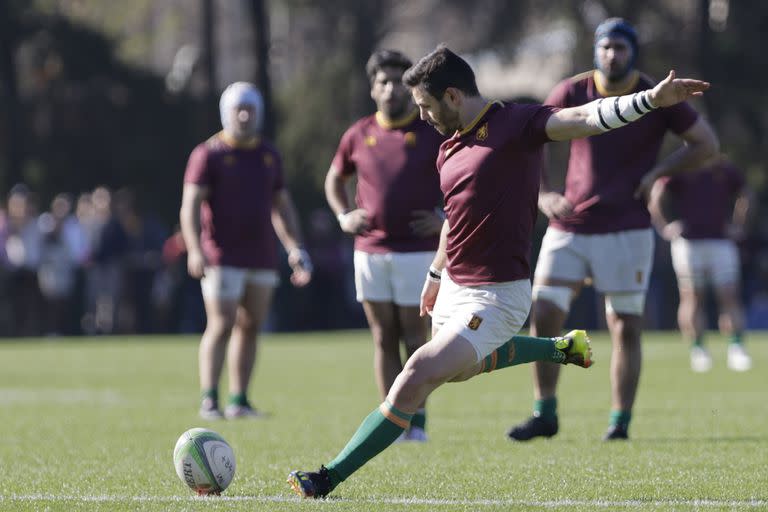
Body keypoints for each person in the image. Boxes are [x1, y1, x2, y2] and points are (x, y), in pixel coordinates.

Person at [287, 44, 708, 498]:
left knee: (416, 374)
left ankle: (327, 477)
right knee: (460, 370)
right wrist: (434, 276)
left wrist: (648, 101)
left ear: (452, 96)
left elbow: (585, 118)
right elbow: (455, 220)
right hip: (453, 286)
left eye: (426, 106)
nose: (422, 117)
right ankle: (557, 348)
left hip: (498, 297)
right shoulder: (448, 146)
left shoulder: (518, 124)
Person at [506, 18, 720, 443]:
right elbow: (531, 140)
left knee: (624, 324)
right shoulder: (572, 90)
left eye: (620, 47)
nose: (612, 55)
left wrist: (660, 172)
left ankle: (619, 423)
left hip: (627, 226)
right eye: (605, 47)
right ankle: (544, 411)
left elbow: (707, 144)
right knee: (545, 312)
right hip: (570, 225)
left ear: (632, 52)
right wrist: (543, 195)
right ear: (595, 51)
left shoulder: (658, 94)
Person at [325, 49, 445, 442]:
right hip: (370, 251)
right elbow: (334, 181)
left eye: (398, 80)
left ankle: (419, 421)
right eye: (384, 81)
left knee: (415, 336)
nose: (391, 88)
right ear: (373, 88)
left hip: (417, 252)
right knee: (382, 337)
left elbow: (464, 177)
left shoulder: (431, 131)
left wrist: (444, 216)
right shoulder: (358, 133)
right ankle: (392, 425)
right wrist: (345, 216)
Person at [180, 81, 312, 420]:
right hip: (221, 255)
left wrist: (294, 247)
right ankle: (210, 398)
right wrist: (195, 249)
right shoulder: (208, 154)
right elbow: (190, 206)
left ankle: (239, 400)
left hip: (261, 255)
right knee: (221, 324)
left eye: (250, 109)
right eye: (238, 109)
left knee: (251, 326)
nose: (243, 115)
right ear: (226, 112)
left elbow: (281, 207)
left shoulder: (268, 155)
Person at [648, 154, 752, 372]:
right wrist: (665, 226)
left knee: (729, 294)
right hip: (688, 244)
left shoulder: (723, 167)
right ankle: (698, 350)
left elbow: (745, 194)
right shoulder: (681, 167)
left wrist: (738, 225)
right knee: (692, 296)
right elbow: (657, 194)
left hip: (721, 242)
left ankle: (736, 348)